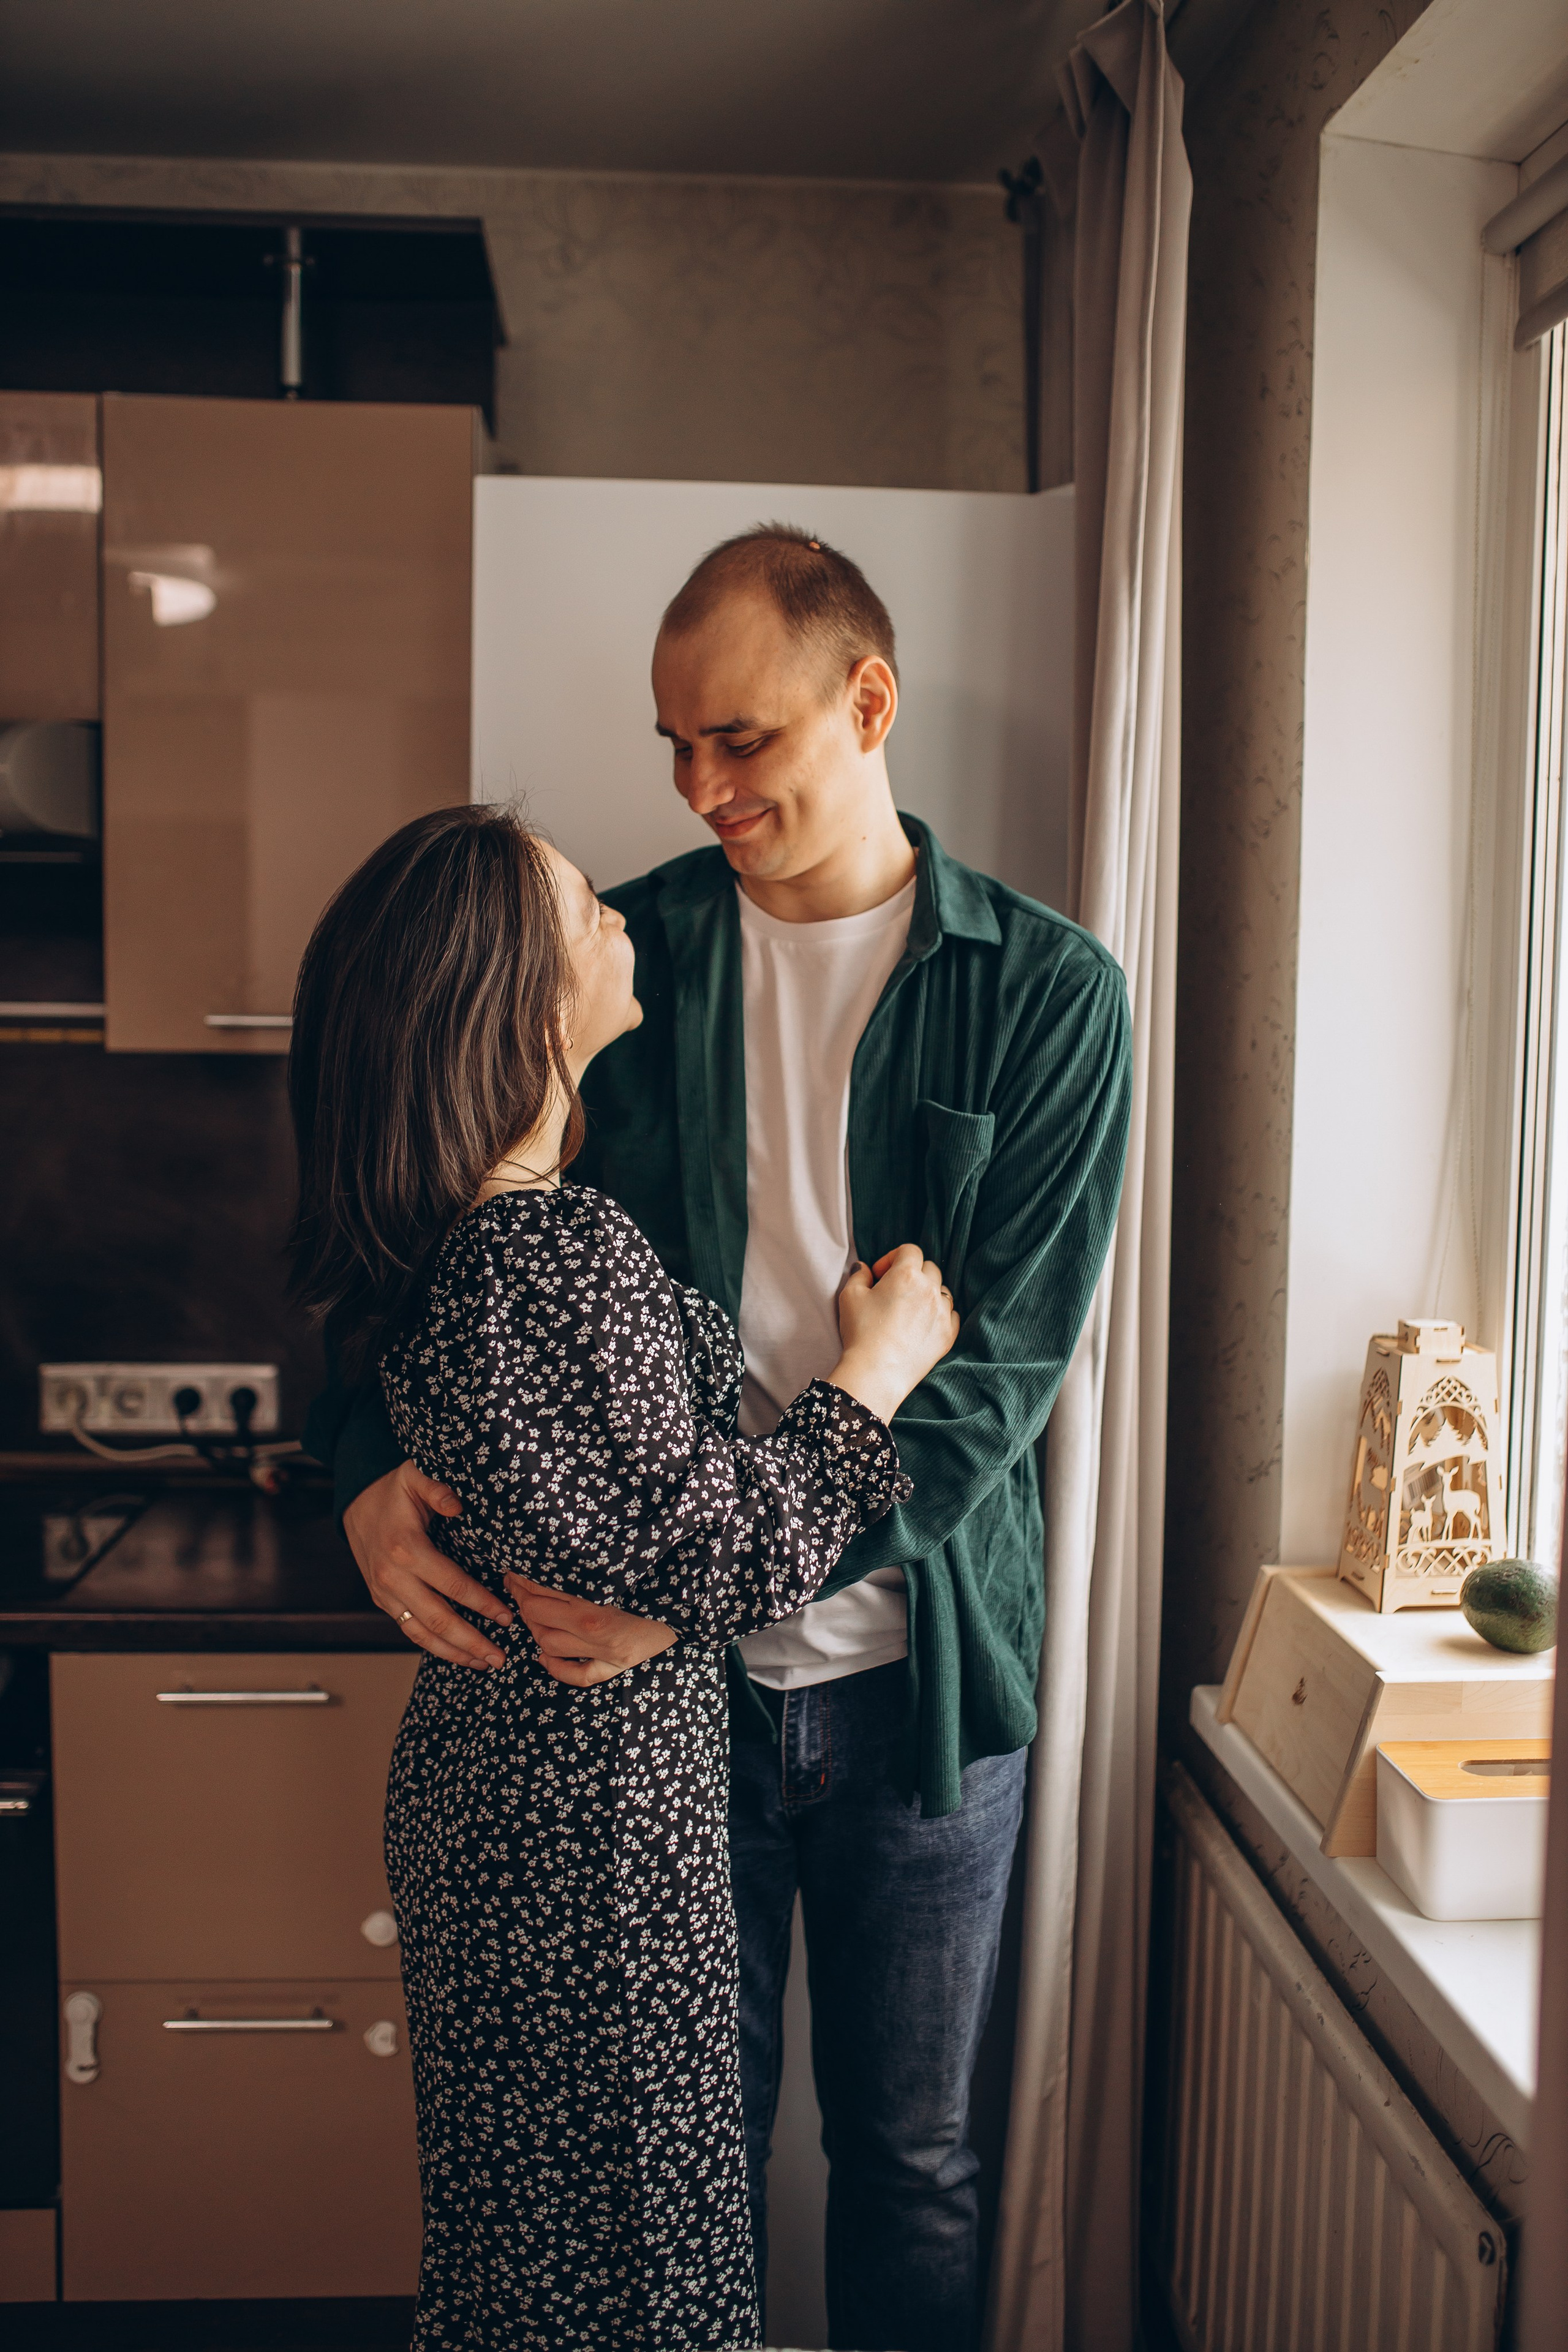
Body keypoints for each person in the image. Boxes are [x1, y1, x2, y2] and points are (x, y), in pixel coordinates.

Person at [314, 528, 1133, 2352]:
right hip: (640, 1728)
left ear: (870, 702)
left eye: (740, 741)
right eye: (674, 743)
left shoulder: (1050, 991)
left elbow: (994, 1385)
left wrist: (697, 1587)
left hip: (917, 1686)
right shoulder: (615, 949)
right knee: (670, 2173)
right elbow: (427, 1231)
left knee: (912, 2161)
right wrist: (364, 1474)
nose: (698, 787)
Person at [287, 803, 957, 2352]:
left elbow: (631, 1533)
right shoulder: (551, 1249)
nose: (618, 924)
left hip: (515, 1808)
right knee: (632, 2265)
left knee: (529, 2252)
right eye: (584, 910)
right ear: (520, 1000)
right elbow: (715, 1550)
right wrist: (877, 1371)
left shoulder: (465, 1246)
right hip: (584, 1836)